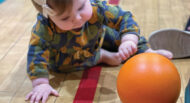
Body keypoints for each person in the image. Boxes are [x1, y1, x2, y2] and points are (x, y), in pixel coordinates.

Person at [25, 0, 173, 103]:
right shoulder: (44, 28)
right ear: (48, 15)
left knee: (121, 36)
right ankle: (100, 56)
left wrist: (129, 40)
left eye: (82, 7)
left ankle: (146, 51)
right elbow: (36, 53)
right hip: (68, 56)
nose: (77, 18)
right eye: (65, 18)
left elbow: (125, 17)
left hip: (95, 38)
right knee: (61, 66)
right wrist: (40, 83)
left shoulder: (97, 8)